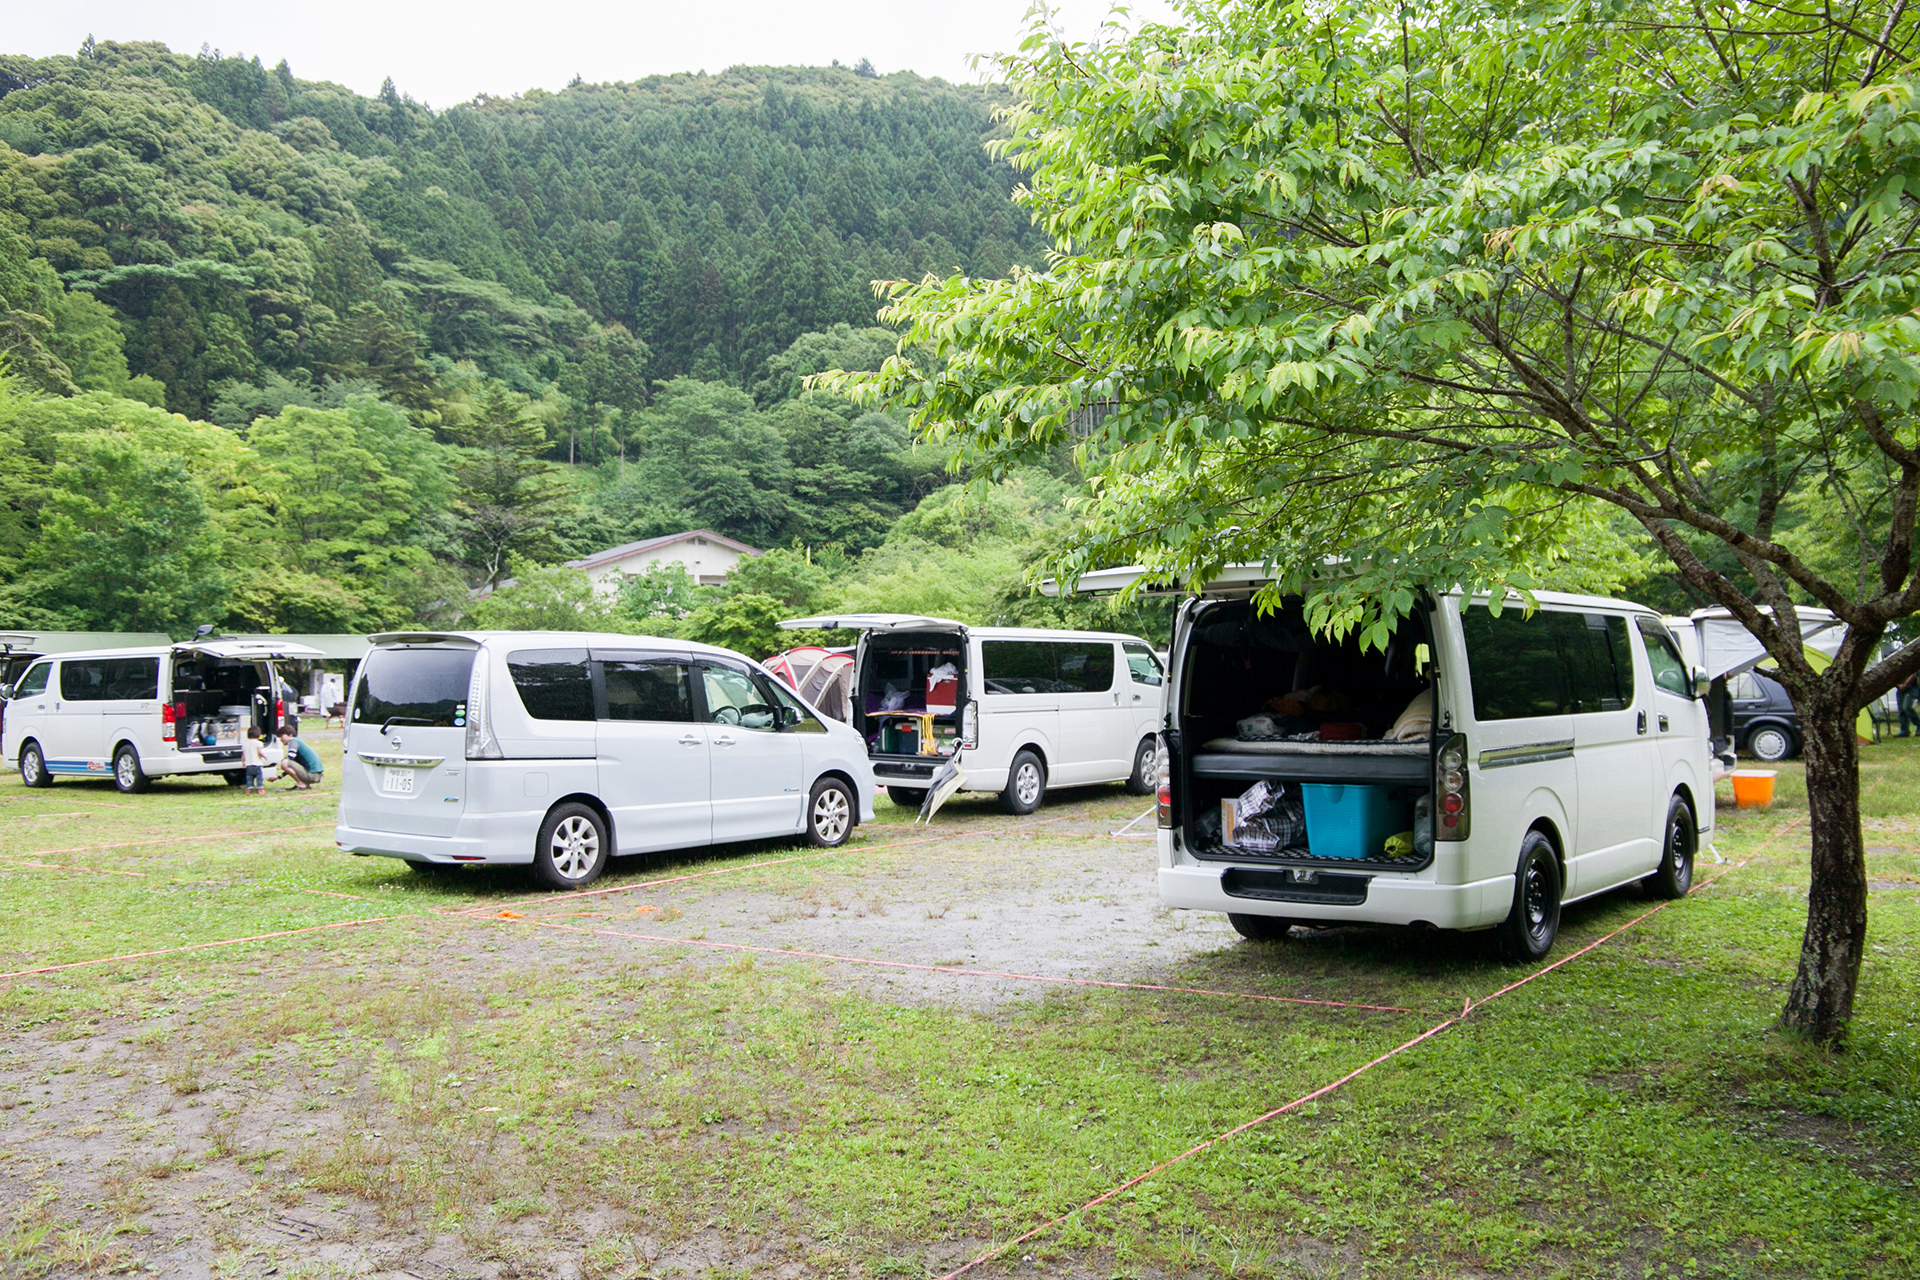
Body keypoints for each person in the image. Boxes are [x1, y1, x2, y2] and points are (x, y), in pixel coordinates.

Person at [278, 724, 325, 790]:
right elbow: (291, 767)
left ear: (290, 735)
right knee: (286, 762)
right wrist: (279, 777)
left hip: (312, 775)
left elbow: (290, 757)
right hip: (316, 775)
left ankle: (301, 784)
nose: (280, 739)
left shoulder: (293, 741)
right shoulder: (298, 742)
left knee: (285, 762)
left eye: (281, 736)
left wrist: (284, 760)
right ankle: (304, 784)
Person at [241, 727, 265, 795]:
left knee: (249, 777)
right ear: (259, 735)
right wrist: (264, 756)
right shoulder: (259, 743)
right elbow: (259, 752)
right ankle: (260, 789)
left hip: (249, 765)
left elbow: (243, 755)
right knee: (259, 777)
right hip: (257, 764)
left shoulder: (245, 744)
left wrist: (243, 763)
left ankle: (249, 789)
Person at [1900, 673, 1919, 738]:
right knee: (1902, 710)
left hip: (1912, 687)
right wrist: (1899, 685)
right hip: (1900, 689)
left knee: (1907, 707)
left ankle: (1918, 724)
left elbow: (1914, 674)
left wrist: (1905, 685)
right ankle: (1904, 730)